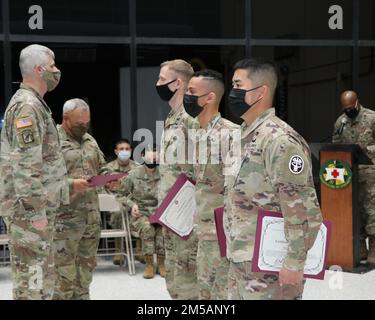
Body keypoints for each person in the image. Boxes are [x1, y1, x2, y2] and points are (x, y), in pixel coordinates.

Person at [224, 58, 323, 300]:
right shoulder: (241, 136)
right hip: (241, 261)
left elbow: (301, 208)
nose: (232, 93)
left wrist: (294, 262)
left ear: (261, 91)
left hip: (270, 269)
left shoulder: (279, 140)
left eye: (238, 85)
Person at [0, 44, 87, 299]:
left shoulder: (35, 104)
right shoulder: (27, 107)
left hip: (34, 211)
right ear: (39, 70)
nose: (56, 71)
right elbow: (25, 167)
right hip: (29, 214)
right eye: (52, 66)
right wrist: (36, 211)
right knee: (33, 284)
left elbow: (44, 164)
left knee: (41, 279)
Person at [184, 69, 239, 299]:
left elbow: (240, 191)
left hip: (223, 236)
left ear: (210, 98)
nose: (186, 96)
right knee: (204, 293)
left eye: (191, 92)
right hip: (201, 233)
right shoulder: (194, 133)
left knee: (222, 295)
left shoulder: (231, 135)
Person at [53, 99, 106, 300]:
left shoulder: (90, 140)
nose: (84, 127)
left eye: (87, 123)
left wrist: (110, 178)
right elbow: (41, 179)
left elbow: (102, 166)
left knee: (85, 274)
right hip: (64, 221)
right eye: (79, 124)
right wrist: (70, 184)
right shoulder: (51, 141)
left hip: (90, 220)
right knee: (63, 277)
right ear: (66, 119)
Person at [156, 59, 199, 299]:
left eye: (162, 79)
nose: (158, 84)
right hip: (171, 217)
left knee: (188, 286)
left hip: (188, 219)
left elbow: (206, 171)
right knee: (174, 282)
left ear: (178, 82)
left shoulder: (192, 119)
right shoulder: (172, 118)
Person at [332, 91, 375, 265]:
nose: (349, 111)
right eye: (345, 108)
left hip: (370, 173)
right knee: (353, 211)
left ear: (357, 102)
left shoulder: (372, 118)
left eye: (351, 107)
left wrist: (366, 151)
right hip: (349, 174)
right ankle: (360, 248)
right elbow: (335, 144)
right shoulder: (340, 122)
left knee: (370, 210)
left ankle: (373, 245)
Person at [117, 145, 164, 279]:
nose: (153, 158)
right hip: (141, 213)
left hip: (159, 213)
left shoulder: (164, 174)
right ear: (143, 156)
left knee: (162, 231)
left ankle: (162, 264)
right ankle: (149, 264)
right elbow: (120, 195)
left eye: (156, 155)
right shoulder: (133, 174)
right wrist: (132, 205)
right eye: (150, 155)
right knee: (148, 228)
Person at [101, 139, 140, 265]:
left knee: (142, 210)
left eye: (127, 149)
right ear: (116, 151)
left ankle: (140, 250)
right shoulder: (107, 168)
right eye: (121, 149)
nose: (124, 151)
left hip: (133, 200)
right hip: (115, 201)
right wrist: (108, 187)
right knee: (119, 212)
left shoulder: (137, 168)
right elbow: (100, 187)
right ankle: (119, 250)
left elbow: (141, 188)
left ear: (131, 151)